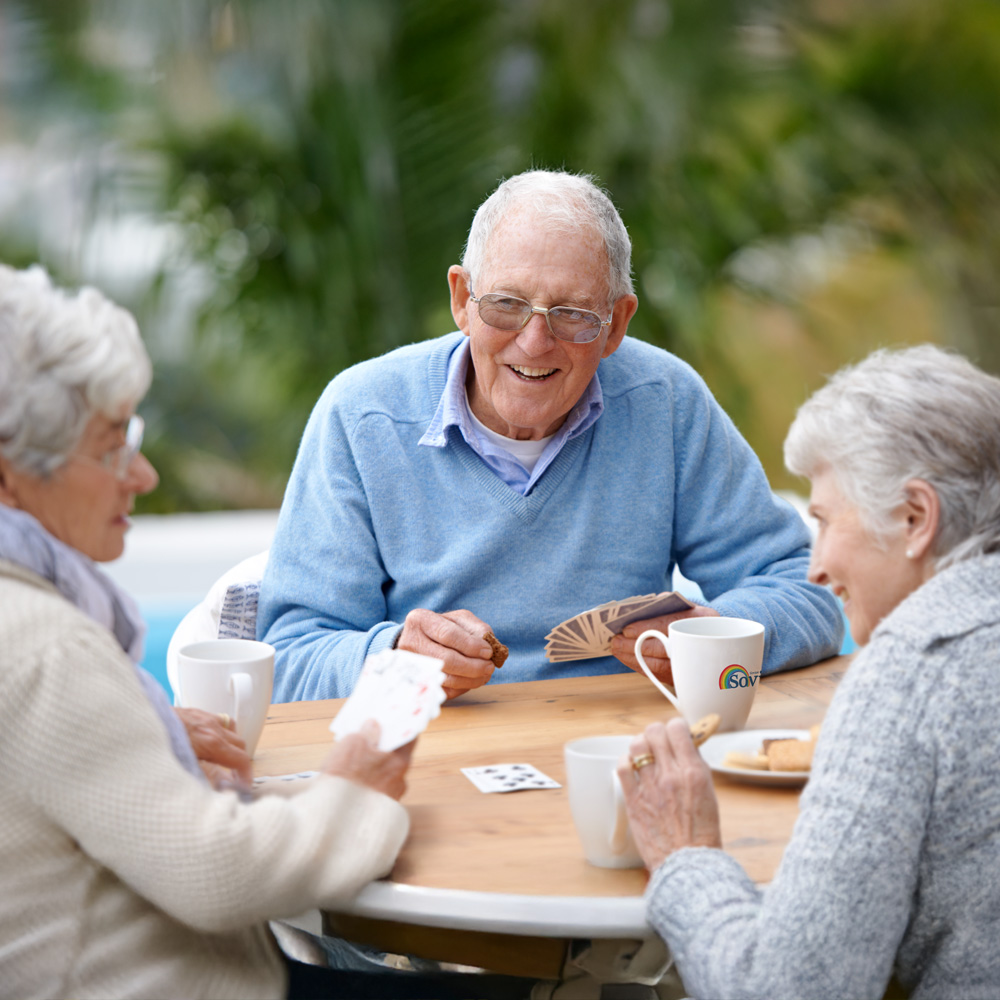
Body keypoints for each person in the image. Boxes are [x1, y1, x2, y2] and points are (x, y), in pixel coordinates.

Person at [0, 265, 532, 1000]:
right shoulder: (44, 647)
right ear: (10, 475)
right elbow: (219, 876)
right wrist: (358, 781)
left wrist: (144, 733)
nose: (144, 474)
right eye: (110, 445)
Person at [259, 169, 843, 702]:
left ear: (616, 324)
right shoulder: (362, 416)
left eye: (572, 314)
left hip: (620, 750)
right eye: (507, 305)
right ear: (462, 300)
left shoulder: (665, 403)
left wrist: (715, 635)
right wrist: (389, 659)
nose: (535, 343)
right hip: (430, 749)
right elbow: (285, 656)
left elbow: (811, 591)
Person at [618, 344, 1000, 999]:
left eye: (823, 522)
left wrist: (687, 855)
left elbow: (785, 991)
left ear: (914, 517)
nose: (816, 567)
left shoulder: (911, 673)